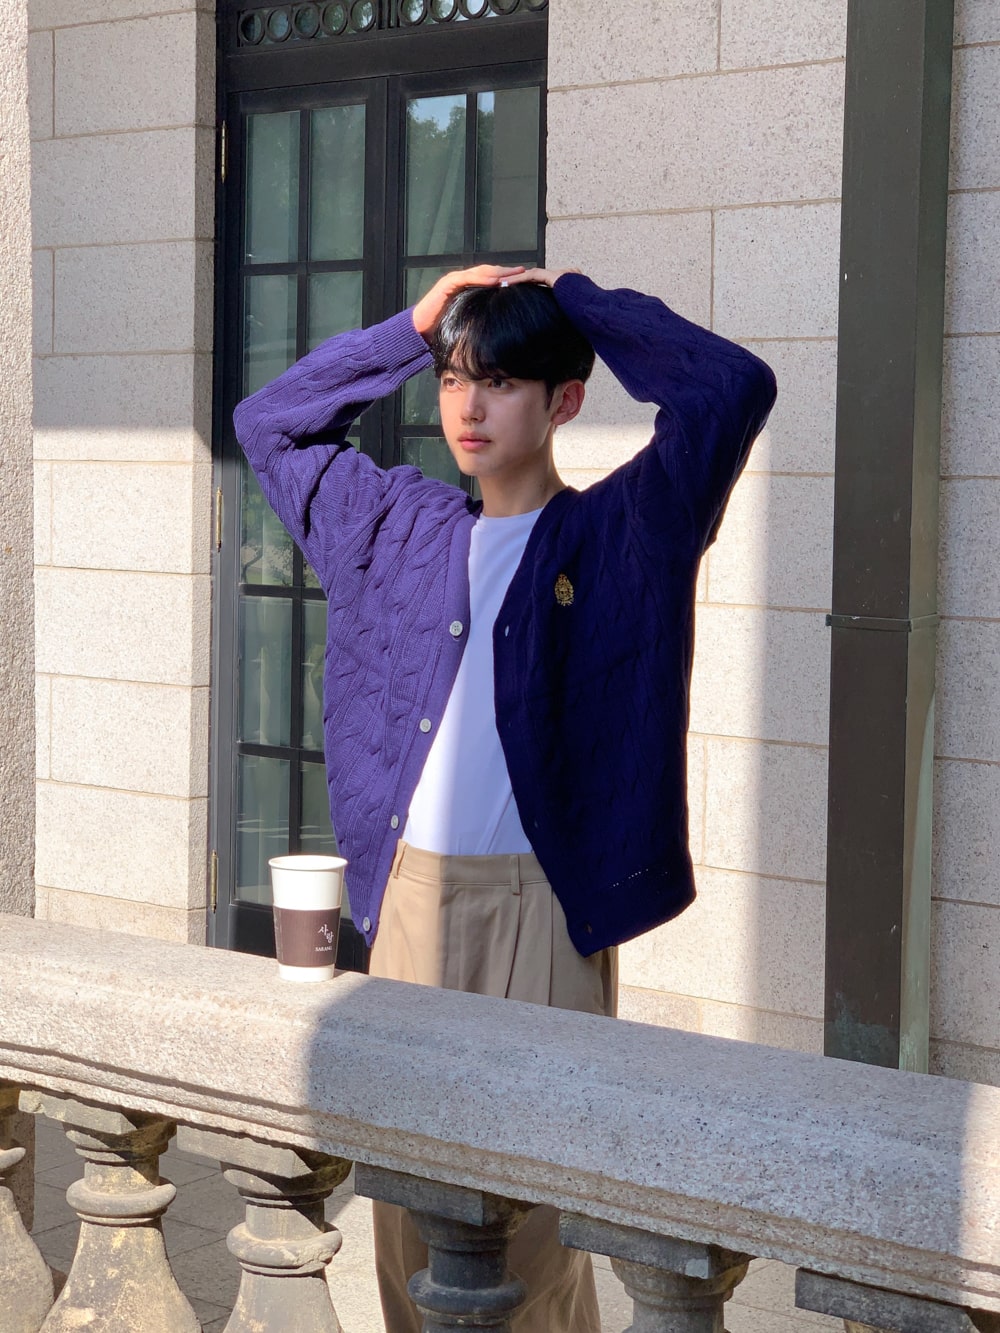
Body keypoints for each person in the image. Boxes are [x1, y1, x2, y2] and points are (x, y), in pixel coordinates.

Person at [234, 264, 776, 1331]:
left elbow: (730, 388)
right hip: (409, 902)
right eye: (452, 379)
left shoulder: (629, 532)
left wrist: (578, 301)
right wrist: (412, 326)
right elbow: (271, 425)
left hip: (545, 911)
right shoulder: (393, 525)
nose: (468, 407)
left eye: (502, 381)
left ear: (564, 400)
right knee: (406, 1222)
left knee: (530, 1237)